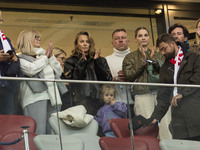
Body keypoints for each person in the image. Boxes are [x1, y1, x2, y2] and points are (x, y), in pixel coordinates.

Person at [123, 27, 171, 140]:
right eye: (140, 35)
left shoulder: (159, 54)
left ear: (149, 38)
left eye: (145, 35)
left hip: (161, 94)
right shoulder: (130, 57)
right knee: (146, 129)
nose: (143, 37)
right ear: (135, 39)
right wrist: (142, 62)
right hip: (142, 94)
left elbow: (167, 73)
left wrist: (155, 61)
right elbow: (129, 76)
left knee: (166, 128)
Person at [151, 33, 200, 141]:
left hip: (195, 111)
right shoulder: (165, 67)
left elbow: (197, 79)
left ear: (173, 43)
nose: (163, 53)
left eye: (164, 49)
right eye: (161, 50)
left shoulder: (193, 58)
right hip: (178, 117)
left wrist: (182, 93)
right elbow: (163, 95)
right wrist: (155, 117)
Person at [17, 30, 66, 134]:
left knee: (52, 132)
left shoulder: (43, 56)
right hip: (34, 98)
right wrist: (45, 58)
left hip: (52, 97)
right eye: (36, 36)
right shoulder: (19, 58)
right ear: (27, 39)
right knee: (37, 131)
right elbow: (31, 69)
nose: (39, 39)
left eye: (39, 37)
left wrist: (51, 57)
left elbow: (59, 71)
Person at [64, 31, 112, 115]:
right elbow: (72, 82)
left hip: (100, 99)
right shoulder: (70, 61)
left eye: (87, 41)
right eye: (82, 42)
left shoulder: (100, 60)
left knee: (100, 126)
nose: (85, 44)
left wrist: (97, 62)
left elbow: (108, 79)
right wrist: (82, 63)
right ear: (76, 44)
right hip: (81, 100)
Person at [105, 28, 134, 117]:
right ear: (113, 43)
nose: (121, 40)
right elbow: (103, 84)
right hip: (114, 104)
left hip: (135, 103)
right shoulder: (106, 60)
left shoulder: (136, 58)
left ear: (128, 41)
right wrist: (114, 79)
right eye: (117, 38)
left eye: (123, 37)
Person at [0, 10, 22, 114]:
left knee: (7, 122)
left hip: (5, 88)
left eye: (0, 20)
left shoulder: (6, 40)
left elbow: (16, 65)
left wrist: (14, 59)